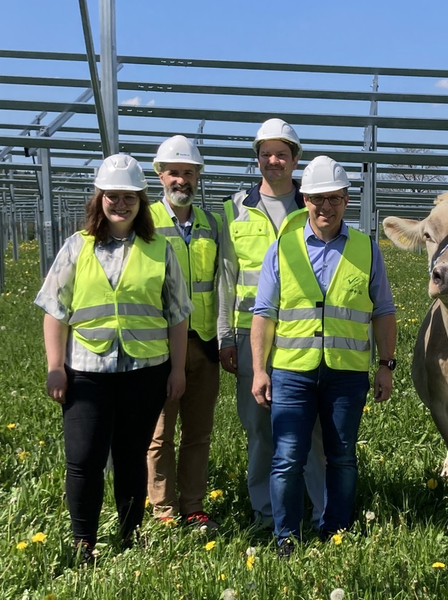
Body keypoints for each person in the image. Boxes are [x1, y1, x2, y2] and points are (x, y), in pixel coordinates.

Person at [35, 154, 190, 563]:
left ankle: (129, 534)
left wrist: (176, 369)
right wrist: (55, 367)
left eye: (129, 198)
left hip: (145, 371)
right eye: (112, 196)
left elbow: (177, 316)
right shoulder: (76, 247)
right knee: (83, 459)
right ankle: (83, 540)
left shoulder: (161, 250)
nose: (120, 205)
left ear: (141, 202)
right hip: (86, 372)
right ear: (99, 199)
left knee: (130, 457)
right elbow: (55, 311)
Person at [251, 156, 397, 557]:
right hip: (292, 372)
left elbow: (383, 310)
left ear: (346, 200)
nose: (325, 208)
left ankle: (337, 530)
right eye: (317, 199)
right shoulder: (282, 249)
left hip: (346, 373)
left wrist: (386, 365)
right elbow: (264, 313)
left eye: (333, 199)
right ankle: (286, 538)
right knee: (287, 458)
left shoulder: (367, 250)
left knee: (343, 457)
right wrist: (259, 370)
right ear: (305, 200)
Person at [217, 119, 325, 530]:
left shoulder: (312, 206)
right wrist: (225, 336)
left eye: (282, 153)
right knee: (260, 428)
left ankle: (320, 510)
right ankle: (266, 513)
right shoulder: (236, 209)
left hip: (304, 333)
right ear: (257, 158)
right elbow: (226, 278)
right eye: (266, 154)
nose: (273, 161)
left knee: (310, 428)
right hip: (251, 336)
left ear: (295, 159)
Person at [146, 135, 222, 529]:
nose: (181, 180)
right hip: (159, 347)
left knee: (198, 433)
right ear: (160, 176)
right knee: (159, 434)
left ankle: (193, 506)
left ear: (198, 177)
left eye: (189, 173)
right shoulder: (146, 222)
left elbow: (222, 282)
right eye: (174, 172)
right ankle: (162, 510)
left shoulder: (211, 224)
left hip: (205, 344)